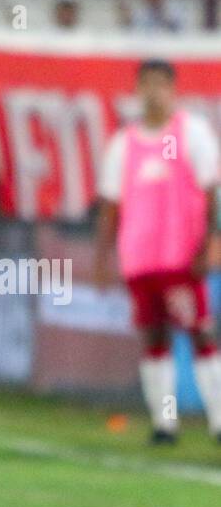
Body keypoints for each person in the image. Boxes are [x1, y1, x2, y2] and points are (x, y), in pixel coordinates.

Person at [95, 59, 221, 444]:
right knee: (155, 338)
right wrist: (104, 258)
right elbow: (111, 205)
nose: (153, 91)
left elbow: (211, 189)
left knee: (201, 332)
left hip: (181, 258)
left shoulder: (191, 132)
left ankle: (218, 421)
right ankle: (165, 423)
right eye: (146, 83)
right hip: (140, 260)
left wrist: (210, 243)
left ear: (173, 89)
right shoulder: (124, 144)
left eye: (160, 83)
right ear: (136, 90)